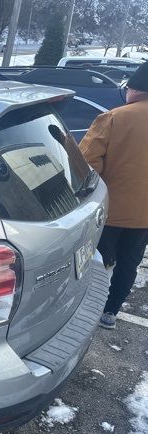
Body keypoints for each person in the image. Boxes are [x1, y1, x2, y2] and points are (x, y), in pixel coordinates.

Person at [80, 61, 148, 329]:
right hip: (143, 217)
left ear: (134, 90)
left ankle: (86, 308)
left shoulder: (113, 118)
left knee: (97, 263)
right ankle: (110, 312)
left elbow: (86, 164)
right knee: (129, 264)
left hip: (108, 210)